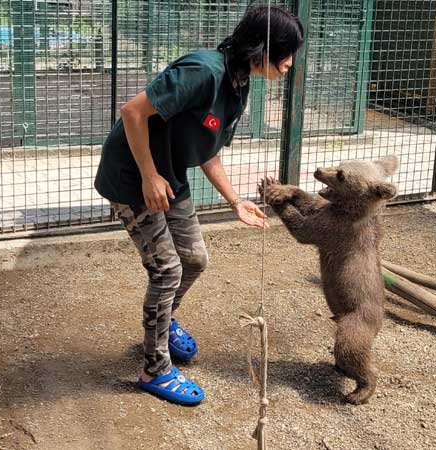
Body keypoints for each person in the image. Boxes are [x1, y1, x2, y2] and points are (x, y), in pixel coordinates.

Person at [94, 5, 304, 406]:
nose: (290, 63)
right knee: (167, 269)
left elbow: (209, 153)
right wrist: (148, 175)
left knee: (194, 259)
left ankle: (161, 324)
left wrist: (235, 201)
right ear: (263, 47)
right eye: (287, 52)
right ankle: (154, 369)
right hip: (132, 176)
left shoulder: (239, 84)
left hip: (168, 176)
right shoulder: (203, 71)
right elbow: (132, 112)